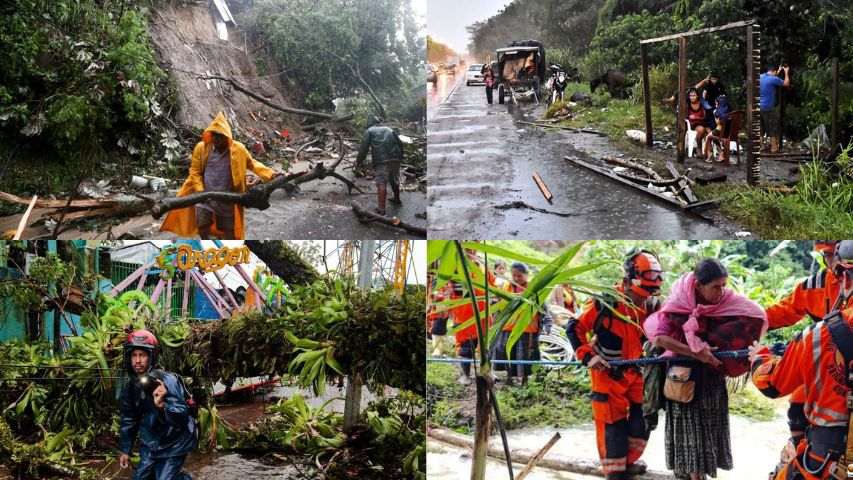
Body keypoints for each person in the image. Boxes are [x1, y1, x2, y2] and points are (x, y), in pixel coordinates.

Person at [644, 258, 767, 480]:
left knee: (708, 434)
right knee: (689, 438)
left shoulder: (728, 304)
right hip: (684, 382)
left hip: (711, 382)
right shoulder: (678, 305)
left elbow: (754, 316)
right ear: (698, 285)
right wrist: (695, 352)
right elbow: (660, 339)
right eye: (715, 287)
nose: (721, 292)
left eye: (724, 285)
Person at [750, 240, 853, 480]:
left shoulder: (818, 335)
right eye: (827, 255)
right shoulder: (814, 287)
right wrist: (753, 319)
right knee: (798, 407)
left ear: (843, 275)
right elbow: (781, 311)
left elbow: (772, 384)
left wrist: (758, 357)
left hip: (829, 451)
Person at [566, 249, 664, 479]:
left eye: (650, 293)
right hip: (607, 376)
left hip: (636, 373)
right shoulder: (604, 304)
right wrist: (588, 357)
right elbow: (574, 327)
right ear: (627, 283)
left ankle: (628, 463)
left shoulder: (650, 305)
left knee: (643, 421)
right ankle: (615, 472)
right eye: (641, 293)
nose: (644, 299)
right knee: (614, 428)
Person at [160, 112, 282, 240]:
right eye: (214, 135)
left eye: (220, 136)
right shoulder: (202, 148)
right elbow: (195, 171)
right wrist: (200, 192)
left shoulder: (238, 149)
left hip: (227, 197)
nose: (216, 139)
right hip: (204, 196)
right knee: (202, 225)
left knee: (228, 231)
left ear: (227, 137)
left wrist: (271, 174)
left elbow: (253, 164)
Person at [119, 330, 197, 480]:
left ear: (151, 357)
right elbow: (129, 419)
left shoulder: (168, 380)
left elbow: (181, 416)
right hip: (151, 441)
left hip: (175, 442)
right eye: (134, 355)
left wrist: (162, 405)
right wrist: (125, 450)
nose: (137, 360)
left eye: (142, 355)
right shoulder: (131, 386)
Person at [493, 262, 553, 386]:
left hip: (527, 329)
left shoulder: (534, 289)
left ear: (526, 275)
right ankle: (509, 378)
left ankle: (524, 380)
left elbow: (544, 308)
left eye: (519, 276)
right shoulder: (505, 287)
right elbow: (499, 307)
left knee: (525, 355)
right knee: (507, 353)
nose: (516, 278)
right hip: (508, 328)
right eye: (514, 275)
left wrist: (547, 324)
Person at [448, 249, 494, 385]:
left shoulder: (483, 267)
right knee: (465, 349)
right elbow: (456, 292)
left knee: (485, 348)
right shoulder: (456, 267)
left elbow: (492, 286)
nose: (471, 251)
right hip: (464, 317)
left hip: (483, 316)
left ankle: (487, 372)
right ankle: (465, 375)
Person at [355, 116, 404, 215]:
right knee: (394, 178)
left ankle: (381, 209)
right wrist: (400, 157)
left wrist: (358, 161)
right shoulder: (389, 129)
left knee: (381, 182)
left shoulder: (369, 131)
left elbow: (364, 148)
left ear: (369, 123)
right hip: (396, 158)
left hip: (382, 160)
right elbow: (400, 144)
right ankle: (397, 198)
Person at [760, 64, 791, 153]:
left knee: (761, 127)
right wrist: (786, 72)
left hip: (758, 107)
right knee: (772, 127)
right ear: (773, 71)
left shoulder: (761, 76)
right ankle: (774, 147)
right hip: (768, 107)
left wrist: (778, 71)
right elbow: (786, 83)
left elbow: (771, 78)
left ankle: (761, 146)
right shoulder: (773, 79)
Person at [703, 94, 732, 164]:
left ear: (719, 103)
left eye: (716, 103)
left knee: (708, 137)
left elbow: (718, 123)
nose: (716, 105)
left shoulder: (718, 111)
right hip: (729, 133)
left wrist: (715, 113)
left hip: (720, 131)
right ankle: (721, 154)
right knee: (712, 134)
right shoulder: (730, 111)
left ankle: (708, 156)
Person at [685, 88, 709, 153]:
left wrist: (696, 117)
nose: (692, 97)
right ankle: (699, 147)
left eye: (694, 95)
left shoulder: (702, 104)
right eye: (690, 96)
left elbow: (705, 117)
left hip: (701, 123)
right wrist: (691, 118)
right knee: (701, 129)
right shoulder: (687, 104)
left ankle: (707, 151)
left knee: (706, 130)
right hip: (691, 125)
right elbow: (686, 117)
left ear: (697, 96)